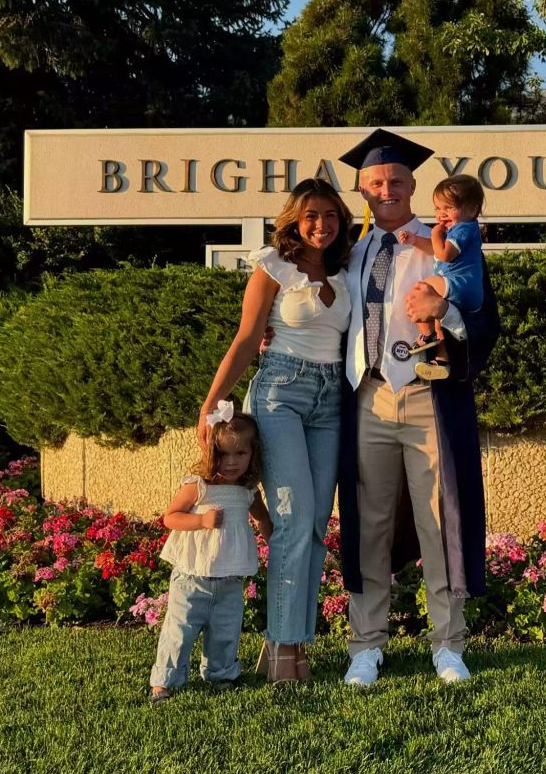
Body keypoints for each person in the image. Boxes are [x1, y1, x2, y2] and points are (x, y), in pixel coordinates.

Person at [337, 128, 500, 686]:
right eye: (377, 182)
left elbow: (481, 320)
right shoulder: (348, 253)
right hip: (369, 396)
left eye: (398, 181)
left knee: (439, 519)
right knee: (370, 523)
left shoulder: (447, 243)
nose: (388, 189)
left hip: (430, 394)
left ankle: (448, 644)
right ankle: (366, 644)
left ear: (413, 185)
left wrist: (445, 312)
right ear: (363, 189)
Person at [197, 178, 353, 683]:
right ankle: (286, 651)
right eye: (310, 216)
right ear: (293, 219)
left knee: (312, 527)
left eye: (330, 216)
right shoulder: (273, 266)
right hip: (281, 391)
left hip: (332, 400)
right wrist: (211, 402)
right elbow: (246, 338)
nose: (321, 225)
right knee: (292, 518)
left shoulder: (346, 269)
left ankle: (288, 645)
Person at [149, 404, 272, 702]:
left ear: (252, 454)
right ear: (210, 452)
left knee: (225, 630)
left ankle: (221, 674)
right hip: (192, 577)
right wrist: (200, 521)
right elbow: (170, 517)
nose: (231, 462)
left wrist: (275, 544)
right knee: (179, 631)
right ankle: (165, 681)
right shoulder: (199, 487)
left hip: (229, 578)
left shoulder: (247, 491)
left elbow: (263, 519)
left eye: (240, 454)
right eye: (223, 454)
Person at [398, 173, 485, 381]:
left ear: (472, 209)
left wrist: (435, 234)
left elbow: (444, 254)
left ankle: (426, 335)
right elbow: (436, 251)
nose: (441, 214)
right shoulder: (456, 231)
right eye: (438, 208)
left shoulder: (463, 229)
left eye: (448, 208)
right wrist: (415, 240)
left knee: (419, 291)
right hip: (459, 287)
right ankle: (442, 360)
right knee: (440, 323)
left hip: (461, 284)